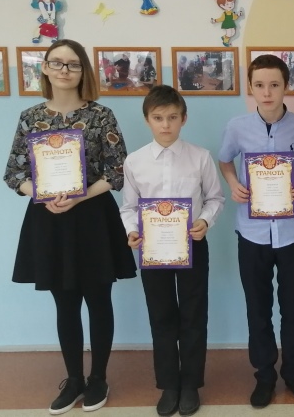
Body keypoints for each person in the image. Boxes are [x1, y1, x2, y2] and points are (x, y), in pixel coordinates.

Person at [2, 39, 136, 414]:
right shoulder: (30, 117)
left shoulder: (101, 115)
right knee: (65, 302)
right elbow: (14, 174)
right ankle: (74, 379)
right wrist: (41, 194)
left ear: (83, 71)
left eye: (73, 64)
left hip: (93, 218)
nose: (65, 70)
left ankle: (99, 379)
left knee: (98, 299)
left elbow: (118, 170)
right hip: (49, 220)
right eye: (57, 63)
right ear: (45, 68)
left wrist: (79, 197)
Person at [219, 54, 294, 408]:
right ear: (250, 87)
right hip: (251, 232)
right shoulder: (237, 127)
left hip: (293, 232)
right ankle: (264, 376)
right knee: (258, 308)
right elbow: (225, 160)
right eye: (260, 85)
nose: (267, 92)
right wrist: (233, 183)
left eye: (274, 85)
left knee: (293, 308)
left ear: (285, 87)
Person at [119, 85, 224, 416]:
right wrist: (132, 230)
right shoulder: (134, 162)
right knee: (161, 315)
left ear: (184, 119)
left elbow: (215, 198)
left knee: (193, 314)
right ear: (147, 120)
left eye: (173, 117)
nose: (166, 125)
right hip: (153, 251)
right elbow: (128, 207)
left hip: (193, 245)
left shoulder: (200, 157)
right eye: (158, 118)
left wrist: (205, 221)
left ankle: (190, 383)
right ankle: (169, 384)